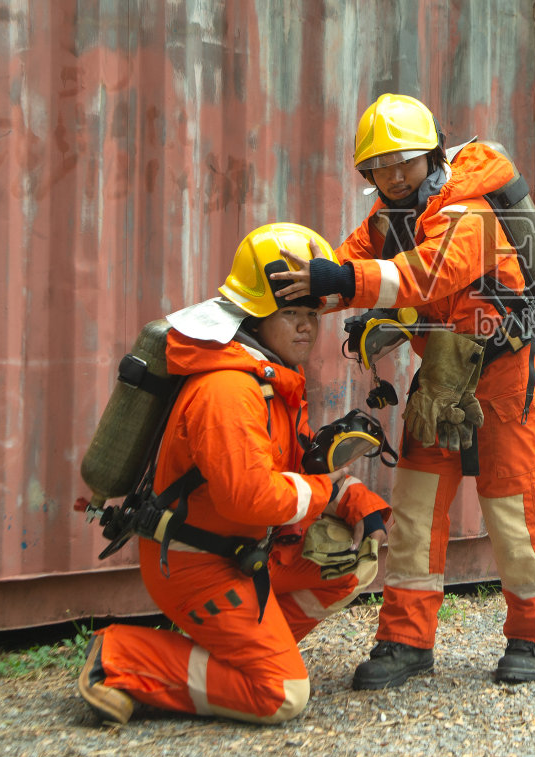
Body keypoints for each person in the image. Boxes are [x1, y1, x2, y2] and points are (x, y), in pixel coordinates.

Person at [276, 93, 535, 688]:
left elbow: (422, 275)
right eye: (379, 167)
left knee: (511, 509)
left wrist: (344, 280)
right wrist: (294, 287)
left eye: (402, 161)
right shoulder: (389, 219)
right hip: (440, 376)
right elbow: (342, 268)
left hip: (508, 374)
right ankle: (405, 641)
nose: (393, 175)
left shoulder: (472, 212)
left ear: (430, 155)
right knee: (413, 510)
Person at [78, 223, 391, 725]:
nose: (307, 325)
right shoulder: (229, 390)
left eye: (312, 312)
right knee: (283, 695)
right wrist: (320, 493)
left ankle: (247, 650)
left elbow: (295, 468)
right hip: (197, 567)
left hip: (241, 553)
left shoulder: (273, 380)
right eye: (290, 312)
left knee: (350, 567)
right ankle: (122, 657)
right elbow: (250, 498)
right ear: (252, 314)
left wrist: (363, 510)